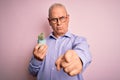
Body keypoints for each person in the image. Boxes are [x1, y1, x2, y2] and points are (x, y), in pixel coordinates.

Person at [29, 3, 92, 80]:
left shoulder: (79, 40)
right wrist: (37, 59)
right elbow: (32, 72)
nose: (59, 23)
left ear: (68, 18)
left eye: (62, 18)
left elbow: (84, 53)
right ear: (49, 21)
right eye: (54, 19)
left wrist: (79, 59)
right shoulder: (42, 44)